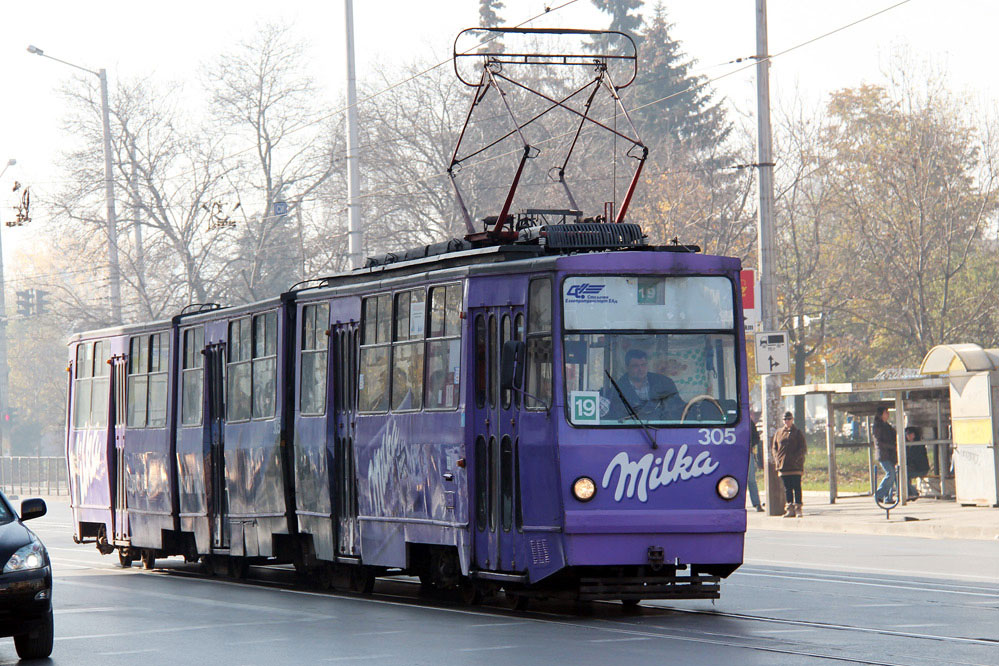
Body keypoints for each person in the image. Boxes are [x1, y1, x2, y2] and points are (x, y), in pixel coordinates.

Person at [606, 349, 684, 421]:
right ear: (627, 367)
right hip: (630, 430)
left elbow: (678, 410)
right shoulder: (617, 389)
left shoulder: (665, 383)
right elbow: (615, 416)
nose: (641, 369)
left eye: (643, 365)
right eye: (635, 366)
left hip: (662, 430)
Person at [772, 411, 807, 517]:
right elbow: (774, 447)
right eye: (785, 419)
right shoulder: (779, 433)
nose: (787, 421)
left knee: (797, 487)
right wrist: (777, 458)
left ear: (792, 420)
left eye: (789, 419)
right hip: (784, 465)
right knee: (787, 488)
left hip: (795, 466)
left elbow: (803, 448)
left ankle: (798, 509)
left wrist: (797, 458)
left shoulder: (797, 432)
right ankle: (790, 509)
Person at [873, 406, 897, 503]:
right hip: (883, 454)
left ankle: (888, 497)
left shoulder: (887, 425)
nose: (888, 414)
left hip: (890, 454)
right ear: (881, 414)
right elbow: (879, 442)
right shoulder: (877, 426)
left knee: (893, 475)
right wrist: (891, 446)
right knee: (890, 473)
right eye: (886, 412)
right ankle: (879, 494)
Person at [904, 426, 930, 500]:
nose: (909, 436)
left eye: (911, 434)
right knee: (902, 473)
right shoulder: (907, 445)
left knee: (903, 475)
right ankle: (909, 493)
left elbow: (915, 458)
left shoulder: (918, 445)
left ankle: (913, 493)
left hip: (921, 469)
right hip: (913, 468)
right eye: (907, 434)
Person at [747, 414, 764, 511]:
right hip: (733, 455)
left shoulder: (749, 422)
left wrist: (750, 444)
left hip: (747, 454)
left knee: (751, 480)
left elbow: (756, 438)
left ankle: (757, 504)